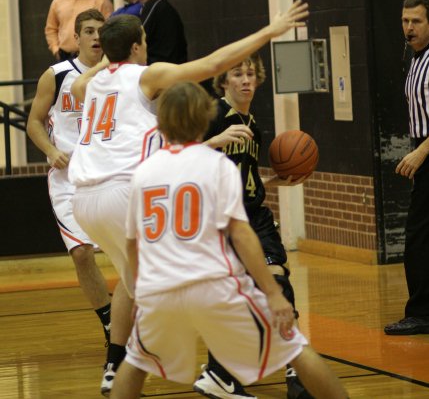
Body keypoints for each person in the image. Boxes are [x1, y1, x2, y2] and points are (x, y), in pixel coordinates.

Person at [68, 0, 309, 396]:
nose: (147, 47)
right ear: (136, 47)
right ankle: (223, 365)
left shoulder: (89, 83)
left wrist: (110, 54)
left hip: (86, 202)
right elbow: (212, 64)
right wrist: (269, 31)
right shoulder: (145, 74)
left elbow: (81, 83)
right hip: (123, 192)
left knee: (138, 288)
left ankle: (119, 368)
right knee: (202, 275)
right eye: (143, 41)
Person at [110, 81, 348, 399]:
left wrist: (138, 291)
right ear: (203, 119)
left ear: (163, 121)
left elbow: (132, 245)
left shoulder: (144, 172)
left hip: (160, 287)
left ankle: (218, 376)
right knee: (295, 348)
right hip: (211, 284)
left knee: (136, 361)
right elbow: (241, 234)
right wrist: (273, 295)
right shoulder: (217, 165)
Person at [193, 54, 312, 399]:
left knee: (278, 283)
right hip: (222, 219)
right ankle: (219, 371)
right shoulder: (213, 115)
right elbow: (176, 156)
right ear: (224, 81)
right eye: (237, 74)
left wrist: (272, 182)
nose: (245, 80)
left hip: (254, 215)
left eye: (250, 74)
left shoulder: (252, 124)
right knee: (238, 296)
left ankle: (295, 371)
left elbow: (242, 177)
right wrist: (212, 141)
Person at [27, 8, 112, 347]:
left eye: (100, 31)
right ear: (76, 38)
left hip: (108, 177)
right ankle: (110, 325)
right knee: (81, 253)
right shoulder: (58, 74)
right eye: (89, 31)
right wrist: (49, 150)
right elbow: (34, 121)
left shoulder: (118, 75)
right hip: (68, 177)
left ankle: (134, 322)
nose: (95, 37)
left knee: (132, 254)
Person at [384, 0, 429, 336]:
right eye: (405, 21)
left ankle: (422, 311)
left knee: (419, 237)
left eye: (416, 21)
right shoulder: (415, 59)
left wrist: (422, 152)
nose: (408, 27)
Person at [130, 0, 188, 65]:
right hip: (172, 65)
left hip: (163, 66)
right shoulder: (161, 5)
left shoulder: (154, 5)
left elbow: (138, 36)